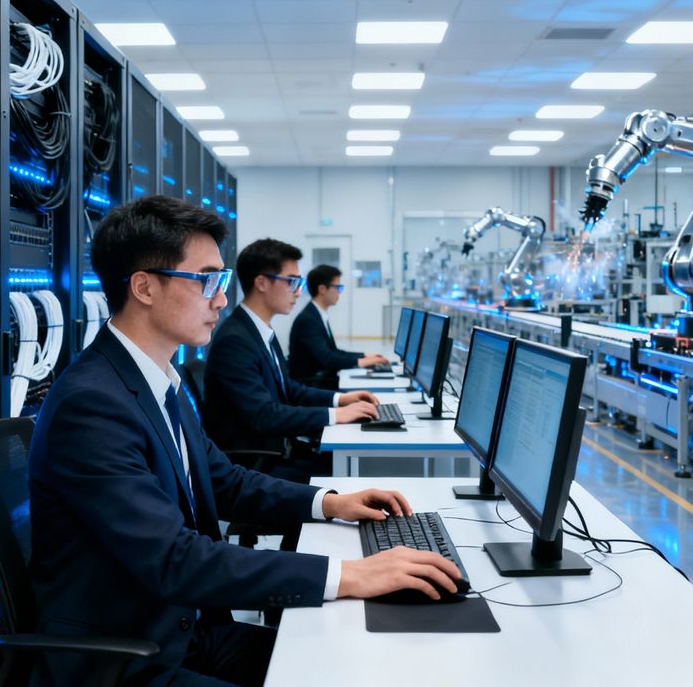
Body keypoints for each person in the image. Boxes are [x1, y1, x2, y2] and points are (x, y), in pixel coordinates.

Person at [29, 196, 462, 686]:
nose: (220, 300)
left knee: (359, 662)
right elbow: (174, 559)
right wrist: (349, 575)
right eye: (206, 281)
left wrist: (331, 503)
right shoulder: (92, 405)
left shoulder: (154, 378)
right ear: (144, 287)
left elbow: (225, 479)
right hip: (130, 659)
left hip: (187, 630)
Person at [204, 240, 378, 480]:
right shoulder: (235, 341)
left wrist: (341, 400)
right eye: (292, 282)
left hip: (279, 449)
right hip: (259, 466)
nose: (298, 292)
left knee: (352, 461)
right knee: (351, 472)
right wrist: (335, 415)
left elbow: (289, 389)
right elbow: (264, 415)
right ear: (262, 283)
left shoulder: (259, 330)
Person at [288, 264, 388, 389]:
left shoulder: (316, 314)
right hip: (313, 385)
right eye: (338, 287)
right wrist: (364, 362)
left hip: (320, 379)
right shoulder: (308, 320)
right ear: (322, 289)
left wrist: (364, 355)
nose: (339, 293)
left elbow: (333, 352)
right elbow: (328, 359)